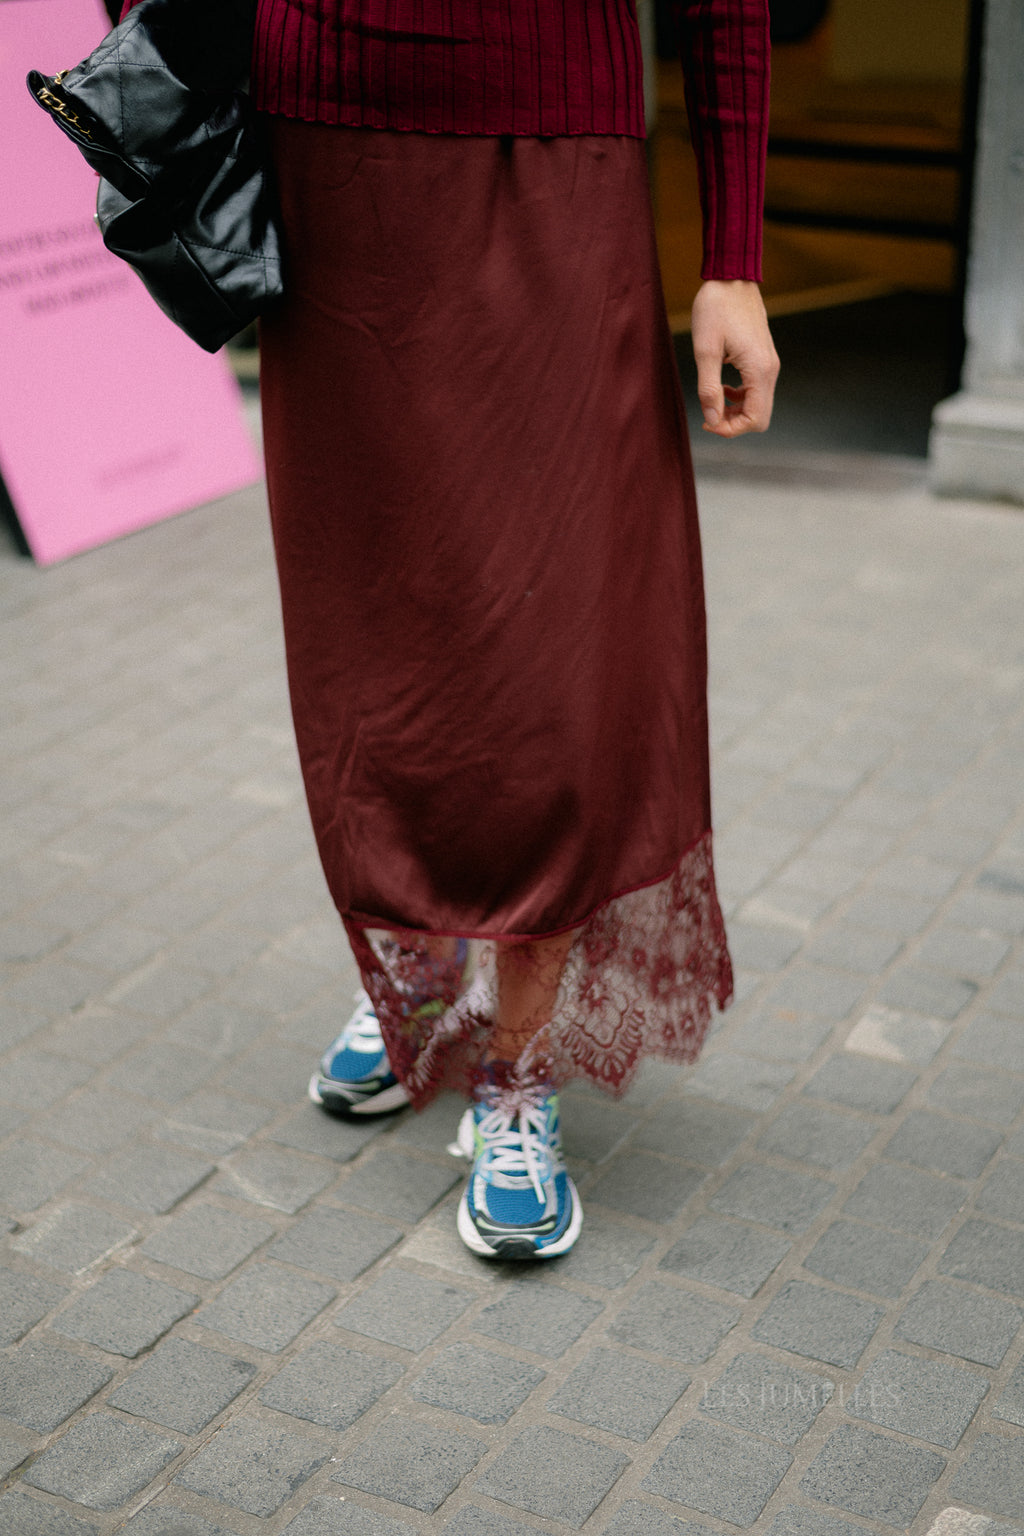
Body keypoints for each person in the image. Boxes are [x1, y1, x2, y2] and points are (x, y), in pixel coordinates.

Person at [251, 0, 779, 1260]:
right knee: (373, 614)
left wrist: (733, 254)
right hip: (323, 152)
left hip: (547, 150)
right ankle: (421, 984)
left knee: (554, 639)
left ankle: (517, 1072)